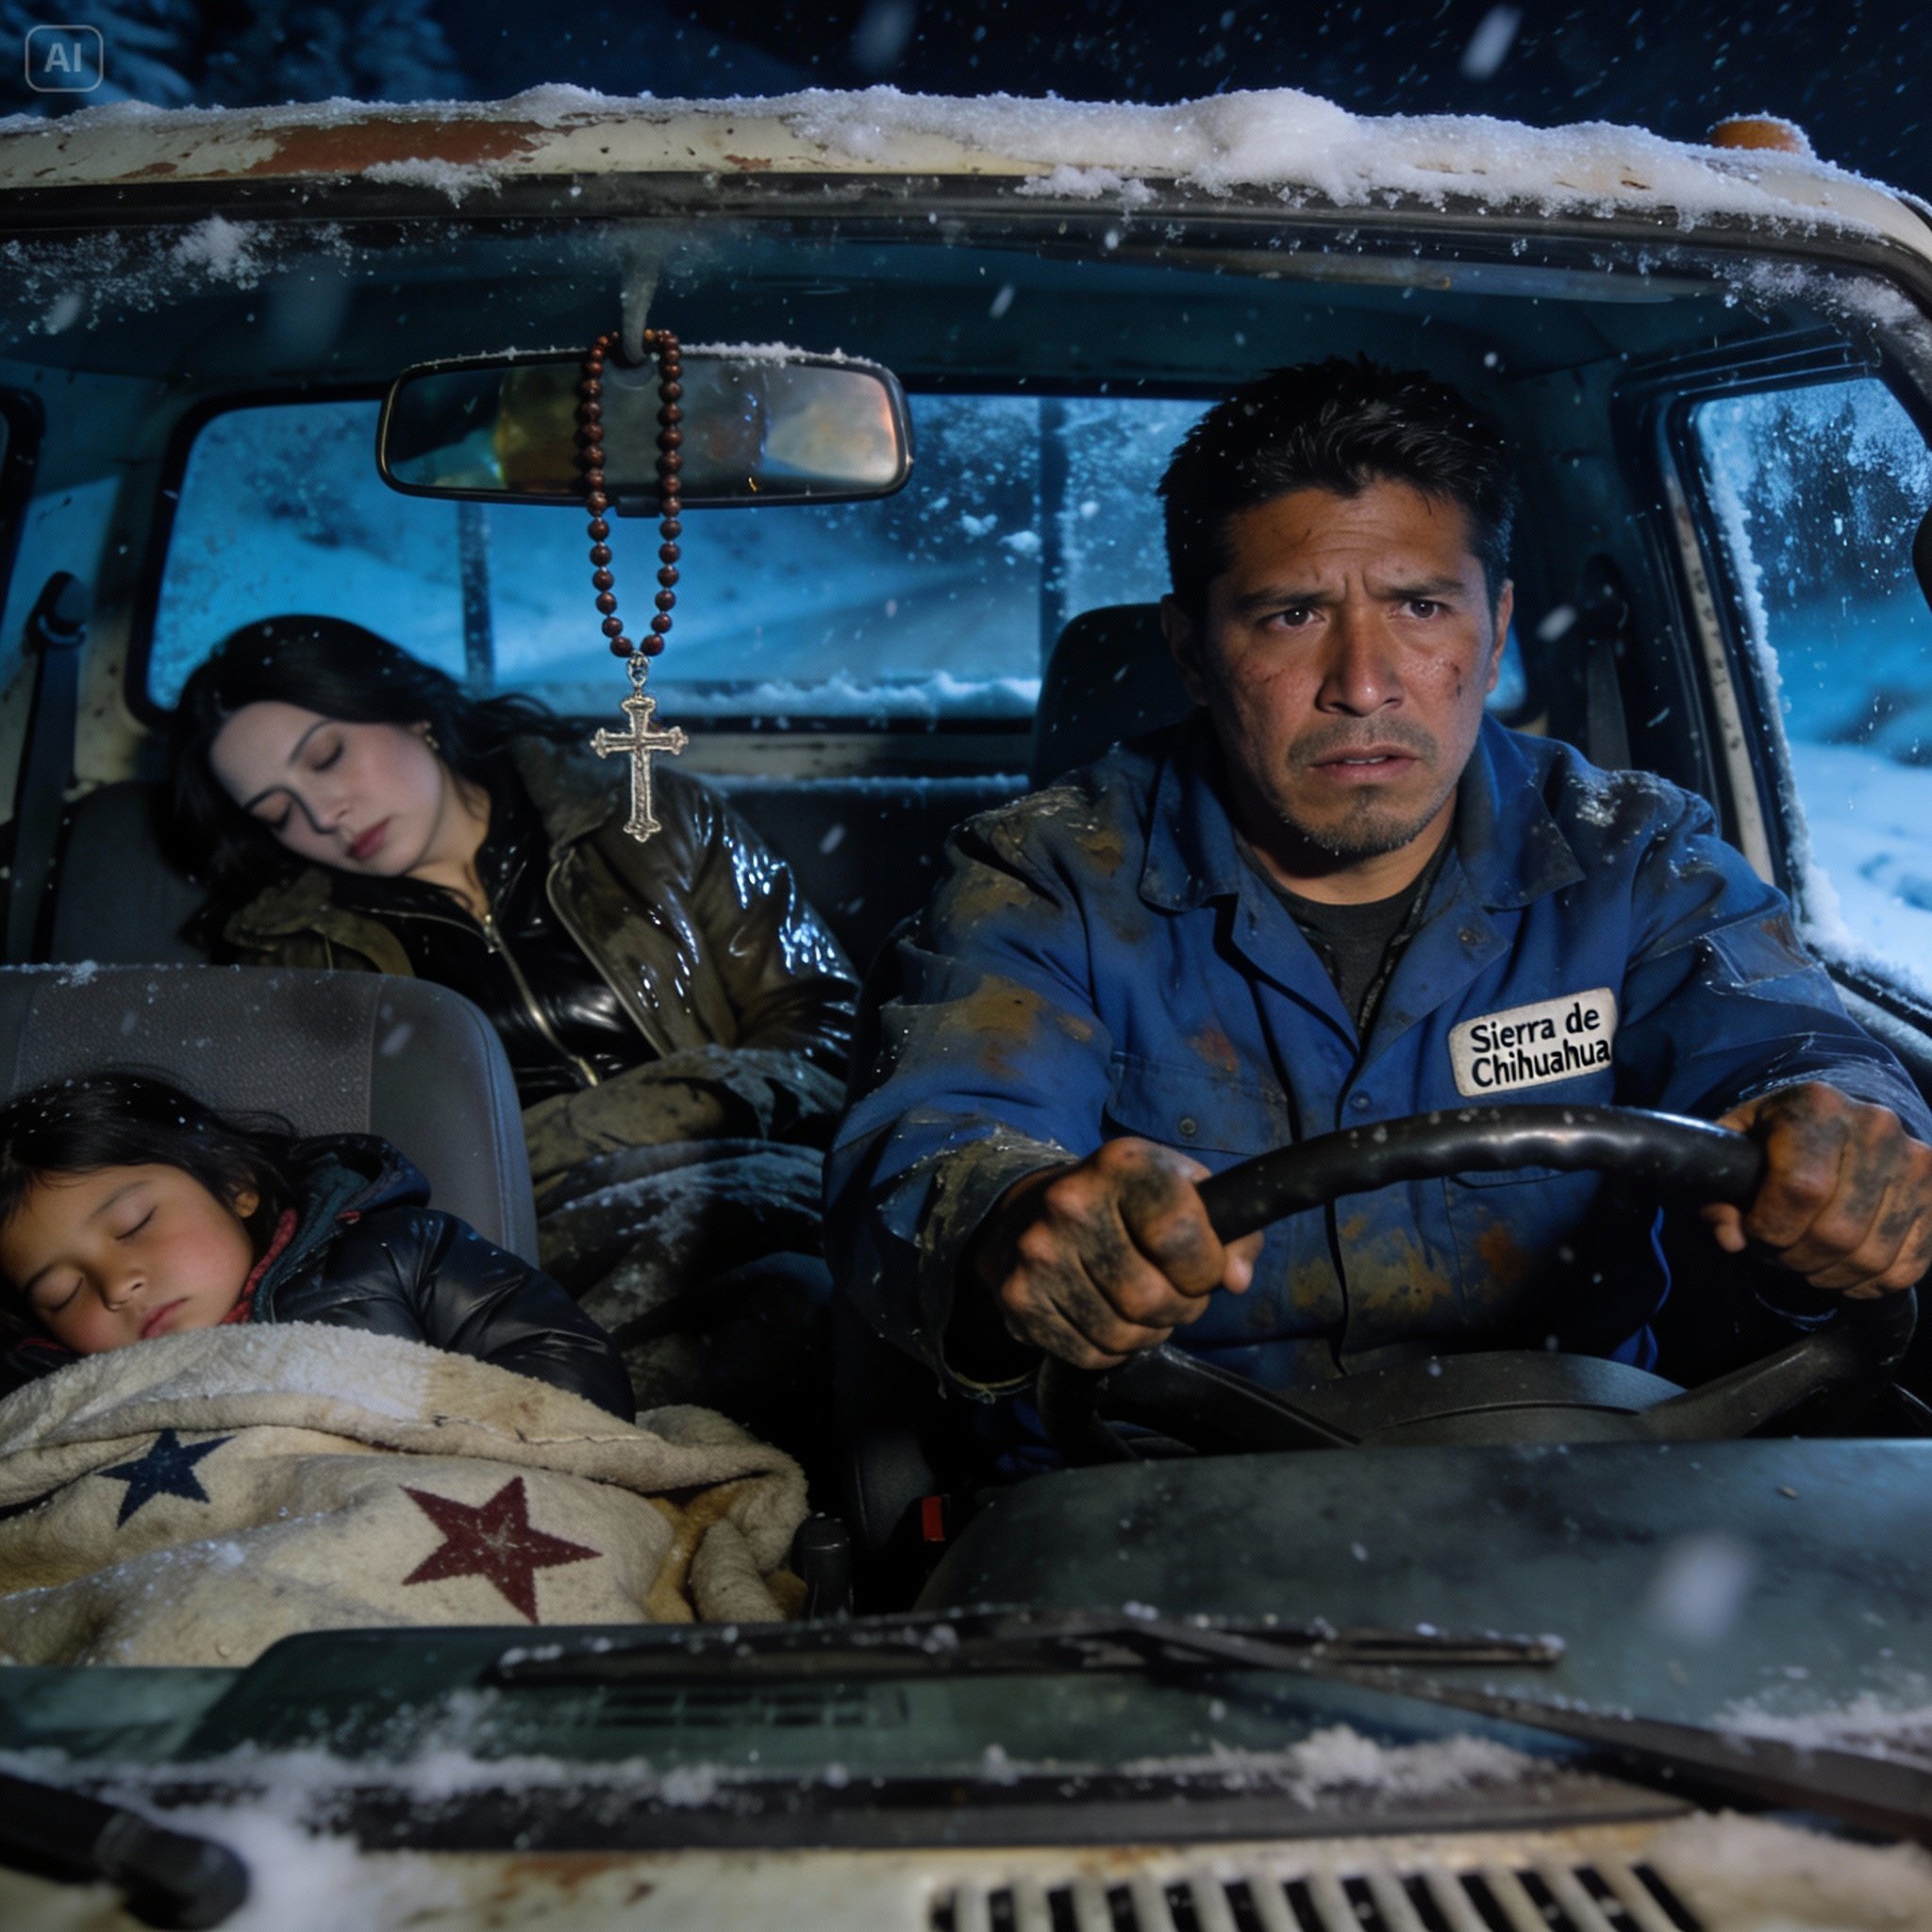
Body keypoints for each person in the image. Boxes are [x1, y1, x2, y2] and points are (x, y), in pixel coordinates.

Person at [827, 357, 1932, 1418]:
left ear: (1494, 634)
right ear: (1191, 650)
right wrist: (1018, 1220)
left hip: (1573, 1468)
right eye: (1291, 614)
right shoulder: (1044, 876)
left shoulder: (1632, 856)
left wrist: (1842, 1143)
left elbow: (1792, 1051)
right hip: (1155, 1486)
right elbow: (937, 1146)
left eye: (1418, 607)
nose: (1361, 685)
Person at [168, 620, 858, 1446]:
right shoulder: (290, 957)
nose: (323, 813)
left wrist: (673, 1119)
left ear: (413, 713)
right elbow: (350, 1174)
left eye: (326, 757)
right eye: (279, 812)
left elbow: (829, 1024)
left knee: (796, 1276)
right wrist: (591, 1144)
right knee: (792, 1295)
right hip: (514, 1240)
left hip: (751, 1172)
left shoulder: (651, 820)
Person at [0, 1074, 634, 1419]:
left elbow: (564, 1358)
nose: (117, 1286)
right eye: (62, 1293)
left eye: (134, 1225)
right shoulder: (59, 1397)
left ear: (236, 1185)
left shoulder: (393, 1254)